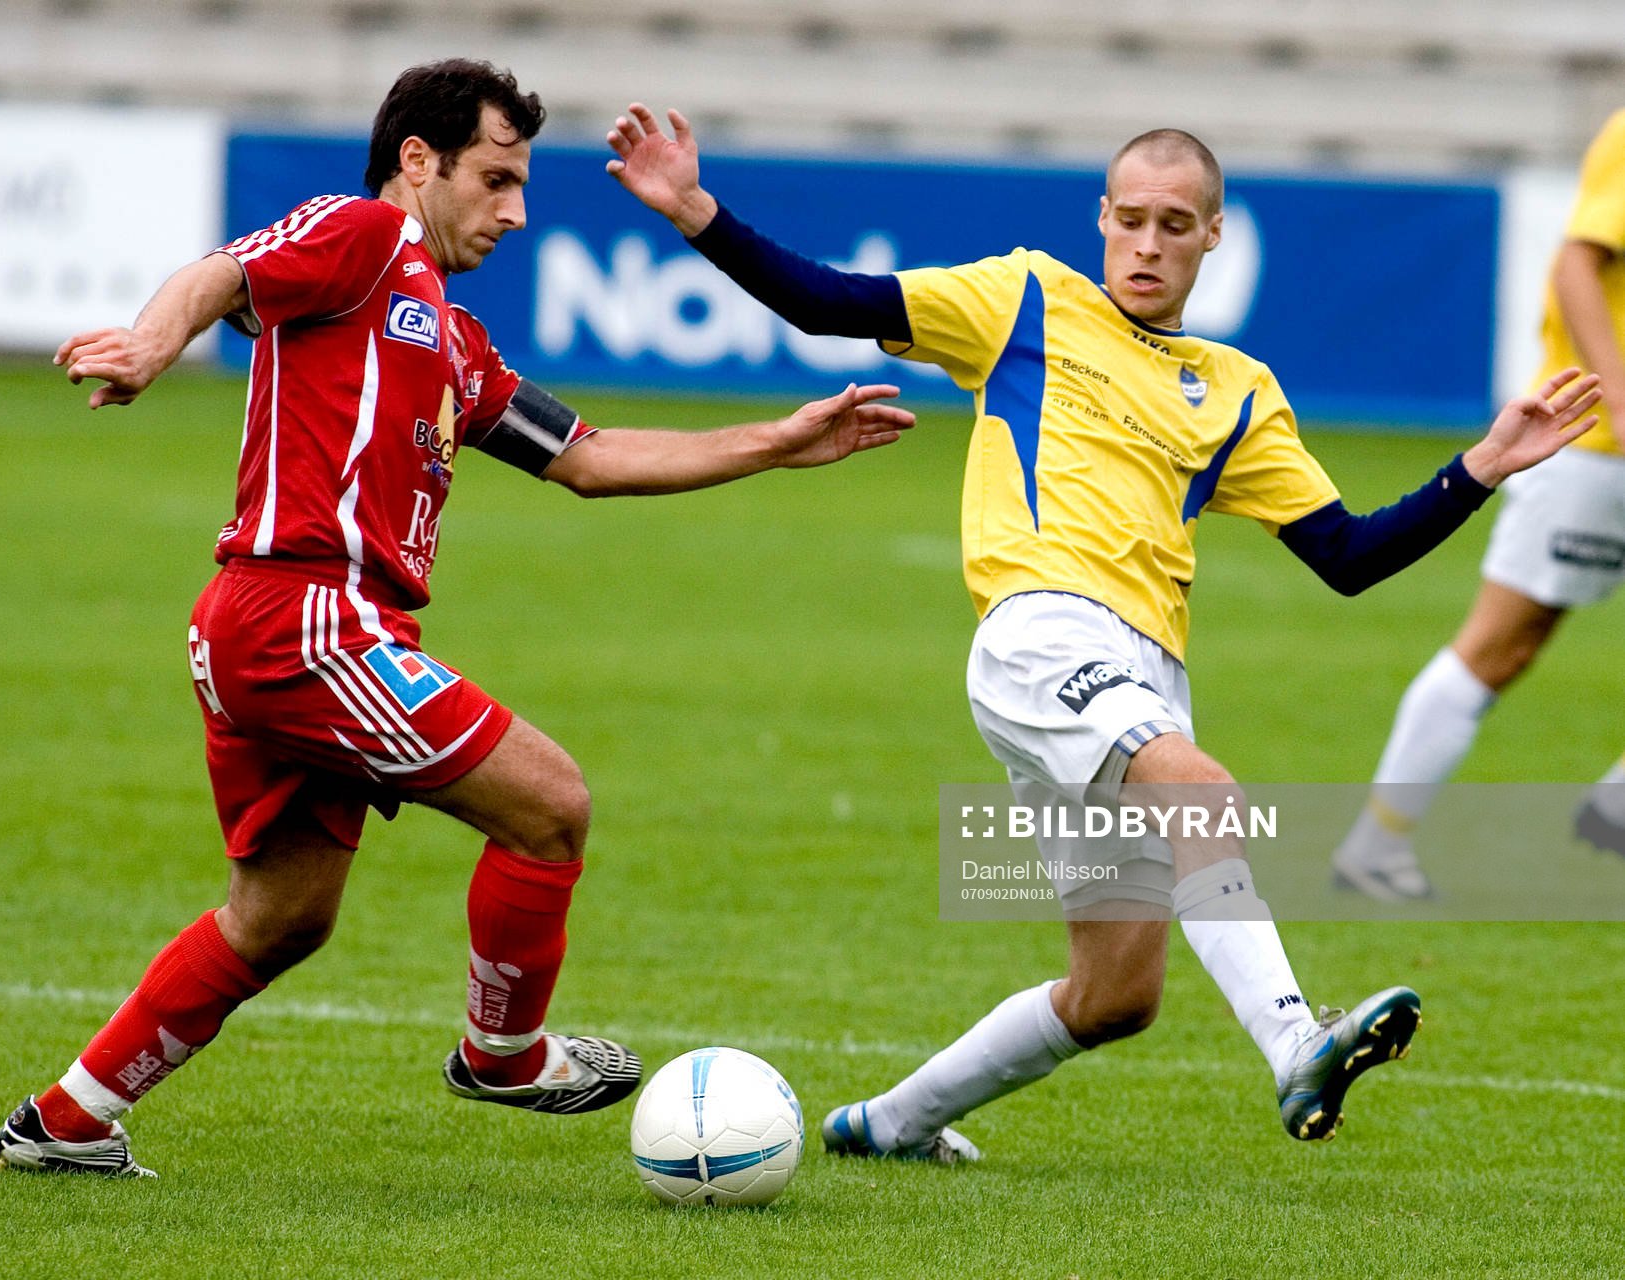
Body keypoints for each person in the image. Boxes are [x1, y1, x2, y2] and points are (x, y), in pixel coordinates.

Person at [605, 105, 1602, 1159]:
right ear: (1102, 217)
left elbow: (1347, 555)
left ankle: (887, 1124)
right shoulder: (1025, 297)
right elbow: (826, 300)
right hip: (1041, 637)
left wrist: (1477, 469)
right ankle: (1295, 1042)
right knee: (1201, 790)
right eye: (1130, 219)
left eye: (1174, 225)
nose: (1147, 244)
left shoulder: (1237, 392)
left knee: (1116, 994)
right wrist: (695, 211)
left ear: (1212, 234)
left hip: (1144, 675)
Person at [0, 60, 914, 1179]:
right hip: (306, 616)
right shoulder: (364, 235)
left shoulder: (453, 342)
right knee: (550, 803)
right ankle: (503, 1054)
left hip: (283, 629)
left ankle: (68, 1120)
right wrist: (151, 343)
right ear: (419, 160)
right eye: (496, 179)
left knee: (282, 916)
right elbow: (222, 273)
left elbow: (589, 458)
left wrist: (775, 442)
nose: (516, 213)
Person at [1333, 108, 1625, 900]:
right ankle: (1375, 845)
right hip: (1596, 447)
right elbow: (1575, 264)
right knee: (1504, 644)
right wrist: (1617, 396)